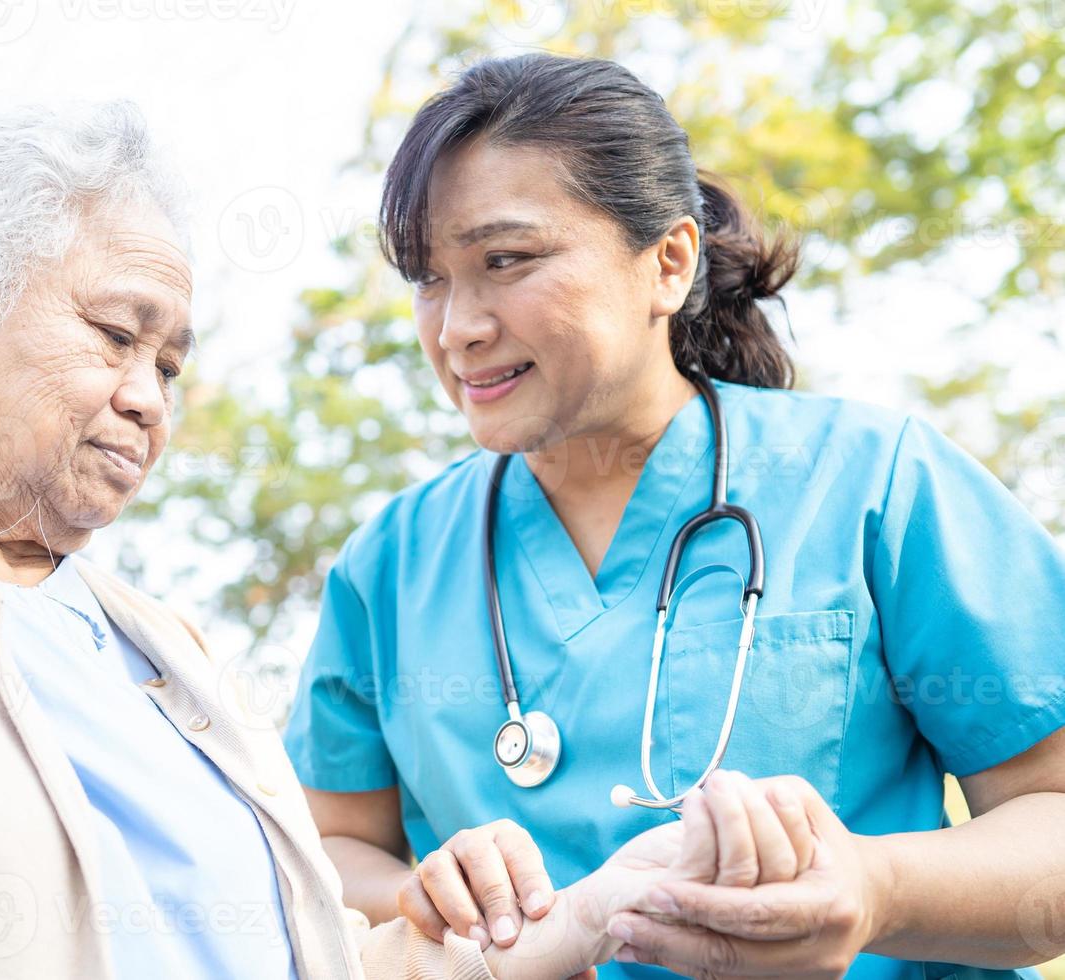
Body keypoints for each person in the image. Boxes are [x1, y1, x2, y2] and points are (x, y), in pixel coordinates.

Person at [0, 99, 811, 980]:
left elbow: (333, 964)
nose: (147, 397)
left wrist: (606, 901)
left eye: (170, 363)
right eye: (117, 336)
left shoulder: (166, 656)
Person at [284, 52, 1065, 978]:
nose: (457, 328)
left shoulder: (873, 483)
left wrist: (879, 887)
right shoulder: (391, 564)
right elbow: (324, 851)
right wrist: (419, 895)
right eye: (427, 278)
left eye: (507, 260)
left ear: (668, 262)